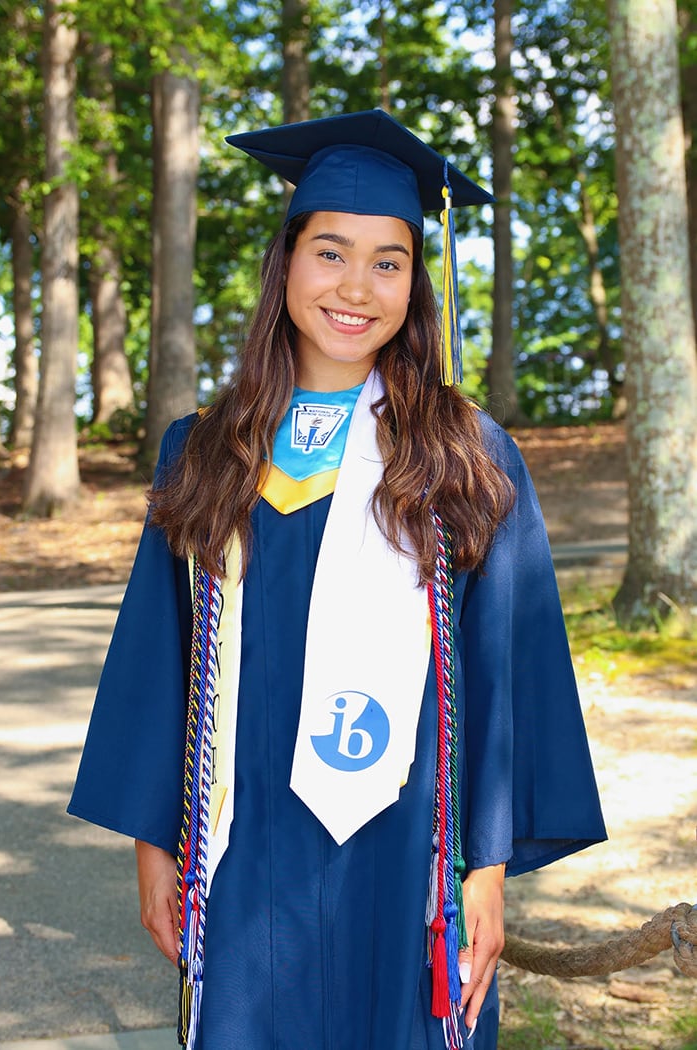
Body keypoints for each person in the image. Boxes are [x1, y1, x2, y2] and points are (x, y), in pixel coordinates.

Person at [68, 109, 606, 1050]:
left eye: (388, 261)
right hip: (245, 854)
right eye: (331, 252)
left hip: (409, 852)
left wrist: (483, 869)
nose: (356, 287)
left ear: (414, 283)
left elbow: (506, 673)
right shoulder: (205, 450)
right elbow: (161, 662)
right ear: (286, 265)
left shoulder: (465, 453)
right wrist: (157, 844)